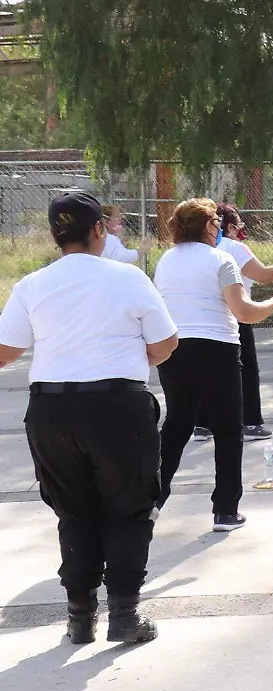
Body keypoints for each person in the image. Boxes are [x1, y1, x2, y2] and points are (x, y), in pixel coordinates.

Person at [0, 191, 177, 645]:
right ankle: (124, 614)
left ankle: (79, 618)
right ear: (99, 228)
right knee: (129, 508)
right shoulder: (129, 278)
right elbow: (166, 345)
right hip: (118, 406)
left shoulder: (32, 284)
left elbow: (5, 352)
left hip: (52, 410)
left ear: (55, 234)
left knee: (73, 512)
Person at [153, 198, 273, 533]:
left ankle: (152, 500)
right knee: (228, 429)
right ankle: (225, 510)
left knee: (176, 425)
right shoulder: (221, 259)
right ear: (207, 226)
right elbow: (244, 312)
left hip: (174, 348)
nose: (219, 227)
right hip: (217, 348)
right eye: (216, 221)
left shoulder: (166, 260)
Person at [194, 204, 273, 441]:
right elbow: (264, 276)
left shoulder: (190, 250)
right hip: (235, 314)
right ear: (230, 226)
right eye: (239, 224)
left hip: (201, 318)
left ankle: (202, 424)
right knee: (247, 371)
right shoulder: (234, 248)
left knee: (205, 372)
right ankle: (251, 423)